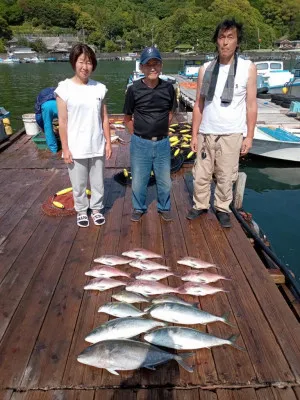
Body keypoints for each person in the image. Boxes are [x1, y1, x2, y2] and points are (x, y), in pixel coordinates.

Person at [186, 19, 257, 228]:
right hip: (206, 132)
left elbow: (251, 105)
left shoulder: (248, 68)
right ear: (216, 41)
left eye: (230, 37)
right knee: (200, 174)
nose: (225, 42)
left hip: (232, 133)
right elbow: (198, 104)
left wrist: (249, 136)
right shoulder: (205, 68)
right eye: (221, 37)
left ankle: (222, 208)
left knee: (227, 176)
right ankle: (200, 205)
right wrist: (193, 134)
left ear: (237, 42)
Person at [55, 43, 112, 228]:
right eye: (81, 61)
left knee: (97, 182)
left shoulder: (99, 88)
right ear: (74, 62)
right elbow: (62, 122)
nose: (85, 66)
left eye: (88, 62)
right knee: (78, 183)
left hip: (96, 143)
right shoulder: (64, 89)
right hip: (76, 146)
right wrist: (65, 148)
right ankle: (81, 210)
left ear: (93, 65)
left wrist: (108, 142)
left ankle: (96, 209)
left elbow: (104, 117)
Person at [123, 46, 177, 222]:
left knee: (164, 181)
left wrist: (160, 130)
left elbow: (170, 113)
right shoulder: (133, 89)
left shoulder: (169, 88)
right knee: (139, 180)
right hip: (140, 143)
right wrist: (138, 136)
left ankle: (164, 207)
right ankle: (139, 207)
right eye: (148, 64)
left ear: (161, 66)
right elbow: (127, 117)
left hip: (162, 143)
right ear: (141, 68)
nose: (152, 68)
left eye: (156, 63)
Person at [35, 87, 59, 153]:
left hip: (46, 106)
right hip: (59, 104)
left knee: (48, 127)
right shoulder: (59, 90)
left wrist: (43, 127)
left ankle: (54, 150)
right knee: (66, 123)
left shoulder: (39, 97)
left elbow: (38, 117)